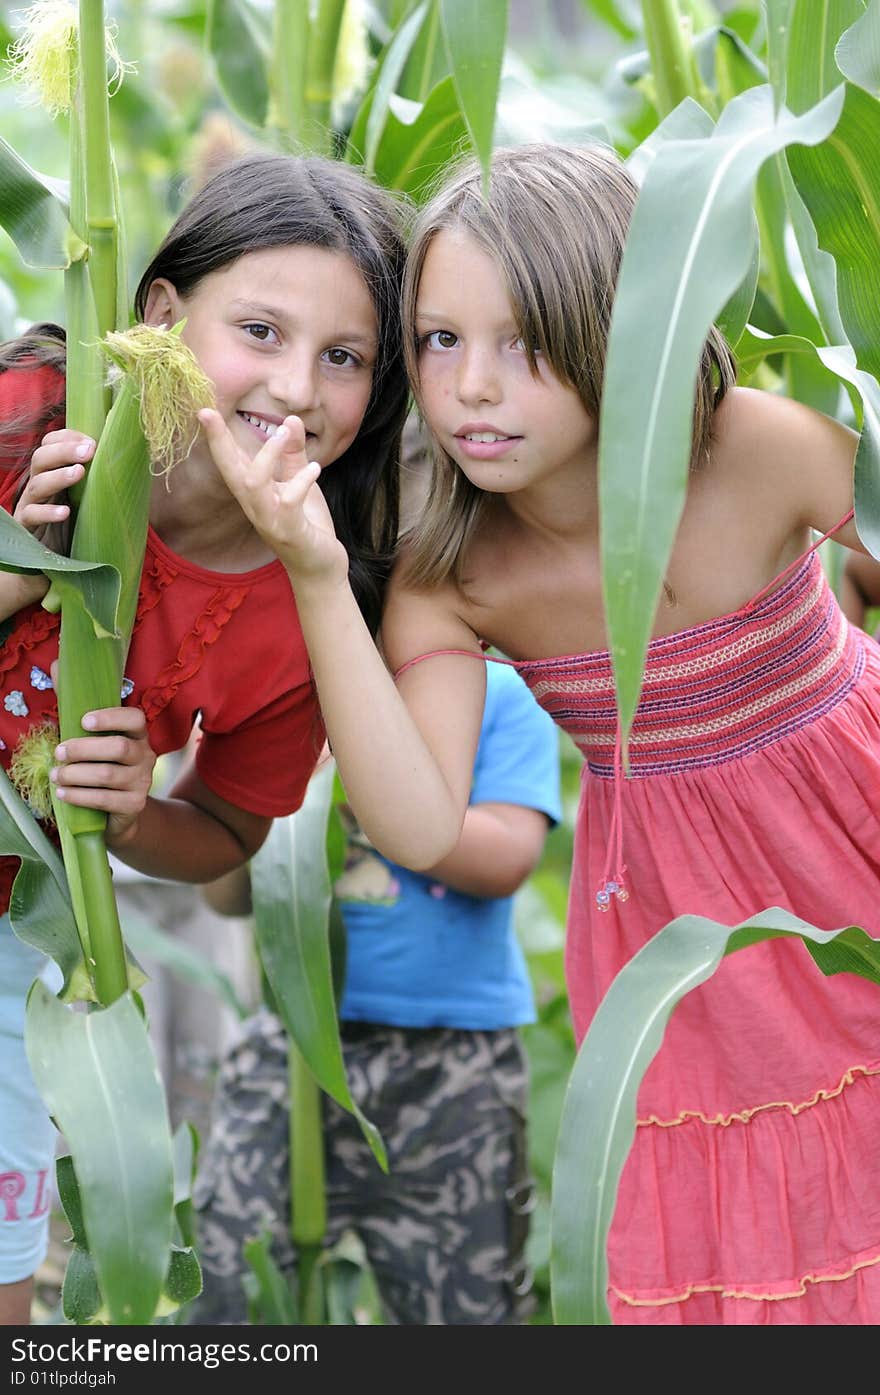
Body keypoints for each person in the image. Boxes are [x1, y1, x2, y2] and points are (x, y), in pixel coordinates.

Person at [209, 141, 880, 1325]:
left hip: (852, 835)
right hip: (685, 956)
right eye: (439, 341)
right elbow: (418, 821)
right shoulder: (457, 570)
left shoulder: (760, 450)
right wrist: (317, 575)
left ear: (620, 331)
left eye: (522, 345)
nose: (469, 388)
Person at [0, 149, 408, 1325]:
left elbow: (226, 826)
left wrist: (133, 816)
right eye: (262, 332)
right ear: (164, 316)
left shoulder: (310, 600)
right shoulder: (37, 414)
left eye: (344, 358)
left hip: (14, 928)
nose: (295, 386)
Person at [191, 659, 562, 1325]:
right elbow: (224, 893)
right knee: (223, 1286)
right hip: (296, 1048)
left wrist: (373, 778)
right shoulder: (286, 690)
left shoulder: (497, 689)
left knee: (468, 1311)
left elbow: (508, 856)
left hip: (453, 1071)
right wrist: (257, 787)